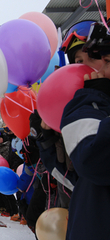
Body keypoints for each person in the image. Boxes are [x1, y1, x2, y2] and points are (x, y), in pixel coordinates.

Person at [60, 21, 110, 240]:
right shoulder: (83, 108)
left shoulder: (90, 103)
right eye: (79, 61)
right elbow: (73, 175)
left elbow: (94, 163)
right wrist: (44, 141)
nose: (90, 69)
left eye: (99, 59)